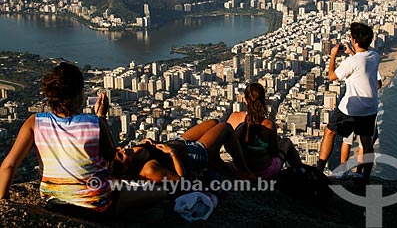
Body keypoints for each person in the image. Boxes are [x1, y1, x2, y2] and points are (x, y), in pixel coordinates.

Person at [0, 62, 163, 215]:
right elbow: (112, 160)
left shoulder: (34, 122)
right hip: (97, 205)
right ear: (79, 93)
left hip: (54, 203)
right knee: (160, 191)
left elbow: (8, 165)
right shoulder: (95, 123)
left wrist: (4, 205)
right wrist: (101, 116)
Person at [317, 22, 380, 182]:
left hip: (351, 108)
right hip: (370, 107)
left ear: (354, 40)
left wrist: (333, 55)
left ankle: (318, 170)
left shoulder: (352, 62)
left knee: (329, 131)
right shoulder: (374, 56)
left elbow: (331, 76)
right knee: (366, 143)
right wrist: (352, 53)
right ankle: (365, 177)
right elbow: (361, 62)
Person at [112, 119, 254, 181]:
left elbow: (149, 148)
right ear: (125, 168)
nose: (123, 150)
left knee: (214, 123)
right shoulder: (149, 169)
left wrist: (148, 143)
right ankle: (245, 171)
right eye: (121, 155)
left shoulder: (134, 151)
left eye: (119, 149)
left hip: (181, 141)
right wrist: (172, 153)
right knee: (225, 127)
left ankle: (215, 159)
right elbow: (181, 180)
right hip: (194, 154)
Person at [227, 83, 301, 179]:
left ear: (245, 100)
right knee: (286, 142)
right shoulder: (268, 124)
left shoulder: (234, 117)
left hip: (239, 168)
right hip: (264, 173)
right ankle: (301, 173)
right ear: (263, 100)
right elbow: (274, 152)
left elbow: (229, 143)